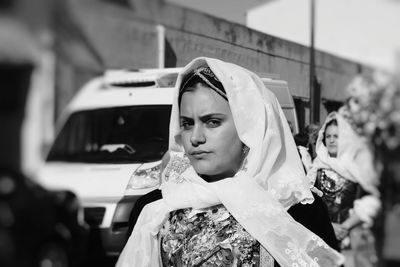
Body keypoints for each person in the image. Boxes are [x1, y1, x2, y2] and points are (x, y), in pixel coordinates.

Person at [117, 57, 344, 267]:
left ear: (249, 130)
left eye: (212, 122)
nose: (195, 137)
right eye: (187, 123)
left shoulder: (294, 210)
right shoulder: (156, 208)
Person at [307, 112, 381, 267]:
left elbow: (371, 200)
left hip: (349, 239)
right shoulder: (316, 167)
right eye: (328, 136)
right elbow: (308, 202)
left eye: (336, 136)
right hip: (320, 236)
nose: (332, 140)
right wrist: (329, 226)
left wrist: (345, 227)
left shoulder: (357, 168)